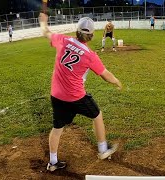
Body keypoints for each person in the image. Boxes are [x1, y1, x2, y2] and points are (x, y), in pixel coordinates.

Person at [38, 13, 123, 172]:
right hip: (76, 97)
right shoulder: (90, 55)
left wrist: (43, 22)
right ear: (91, 36)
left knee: (57, 129)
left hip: (57, 95)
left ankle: (53, 162)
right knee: (97, 115)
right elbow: (105, 75)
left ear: (76, 31)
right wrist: (117, 81)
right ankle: (103, 149)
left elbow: (46, 32)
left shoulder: (63, 40)